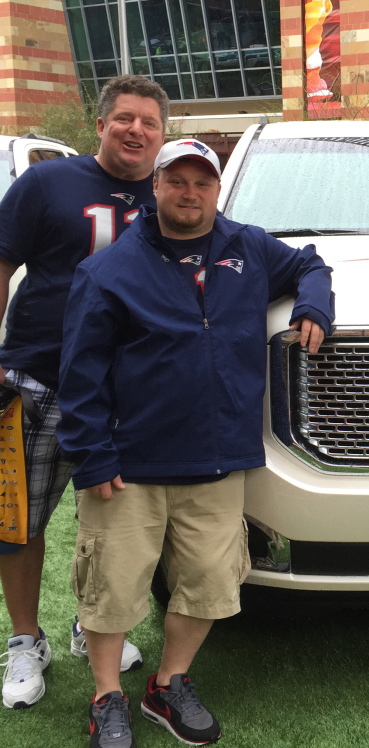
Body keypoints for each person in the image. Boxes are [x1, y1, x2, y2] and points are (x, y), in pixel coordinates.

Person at [57, 139, 335, 748]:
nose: (189, 193)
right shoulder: (108, 270)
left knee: (212, 583)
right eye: (176, 181)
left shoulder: (248, 247)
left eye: (201, 182)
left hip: (217, 459)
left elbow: (310, 263)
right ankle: (107, 695)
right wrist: (95, 455)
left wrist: (314, 301)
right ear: (154, 188)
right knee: (113, 588)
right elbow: (78, 376)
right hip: (129, 465)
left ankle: (167, 683)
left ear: (216, 189)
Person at [0, 74, 168, 710]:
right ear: (100, 125)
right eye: (124, 118)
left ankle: (90, 625)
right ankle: (23, 639)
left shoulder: (170, 192)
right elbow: (2, 262)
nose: (136, 131)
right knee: (19, 518)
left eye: (149, 123)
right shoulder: (46, 183)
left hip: (126, 391)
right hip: (36, 377)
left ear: (162, 134)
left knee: (109, 521)